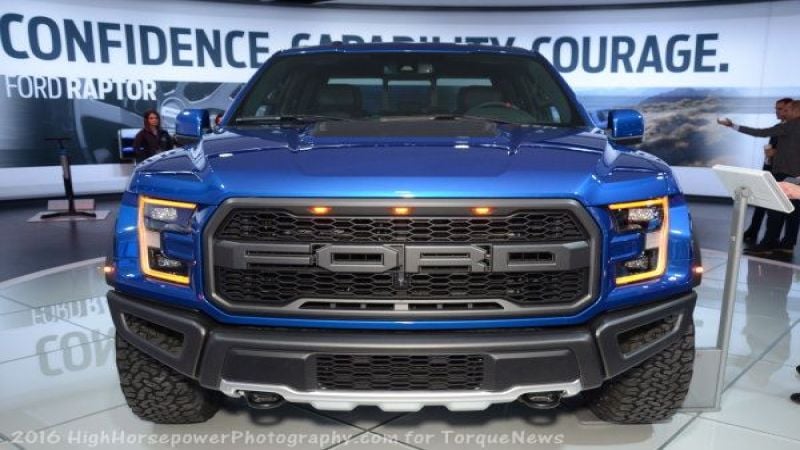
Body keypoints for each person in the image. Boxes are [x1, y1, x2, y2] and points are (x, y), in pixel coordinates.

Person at [719, 100, 800, 257]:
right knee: (793, 213)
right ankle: (786, 244)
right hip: (795, 175)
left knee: (775, 211)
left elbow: (760, 132)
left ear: (796, 111)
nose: (784, 112)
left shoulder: (790, 126)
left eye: (788, 109)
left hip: (784, 174)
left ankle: (768, 244)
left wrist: (733, 126)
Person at [744, 98, 794, 243]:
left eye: (782, 109)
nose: (778, 112)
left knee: (781, 209)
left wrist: (775, 153)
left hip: (785, 172)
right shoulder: (779, 127)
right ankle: (754, 231)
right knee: (761, 202)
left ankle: (774, 241)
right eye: (777, 109)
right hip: (770, 169)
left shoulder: (791, 128)